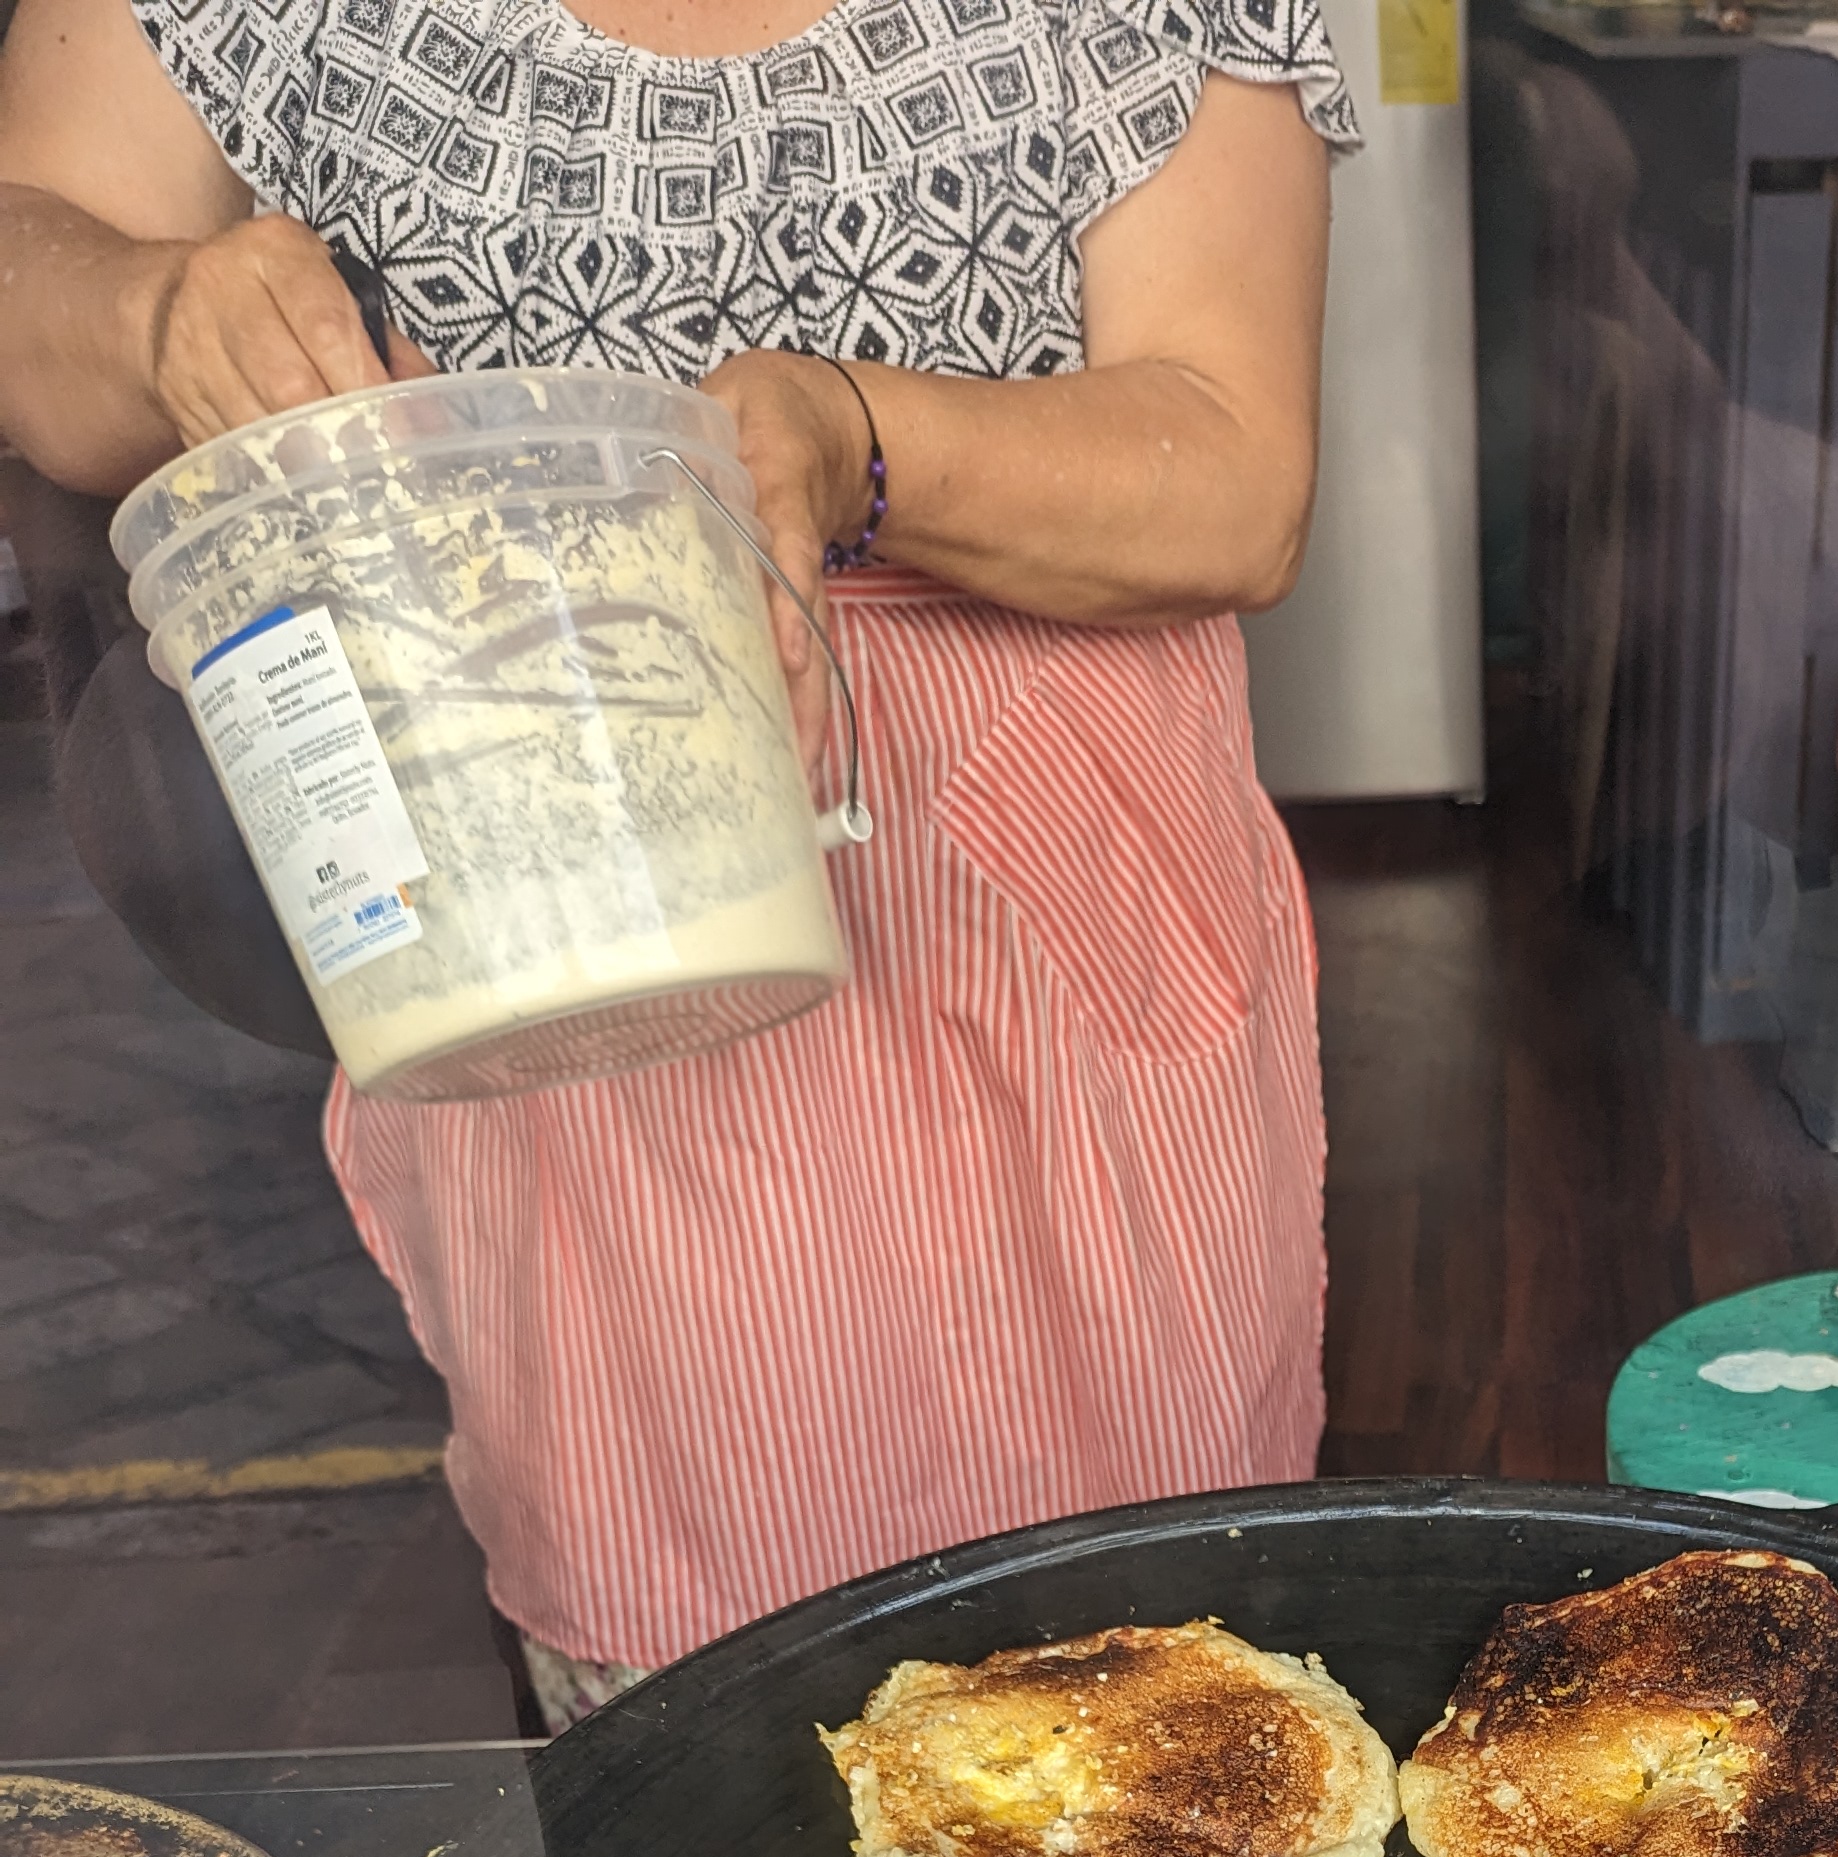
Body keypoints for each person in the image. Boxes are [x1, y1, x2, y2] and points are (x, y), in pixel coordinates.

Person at [0, 0, 1352, 1724]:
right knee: (689, 1716)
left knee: (1149, 1694)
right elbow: (33, 267)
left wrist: (850, 440)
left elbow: (1233, 468)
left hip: (1039, 925)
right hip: (549, 897)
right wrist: (155, 317)